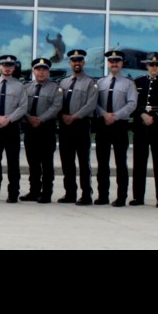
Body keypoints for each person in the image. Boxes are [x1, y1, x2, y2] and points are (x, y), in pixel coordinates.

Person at [131, 52, 158, 208]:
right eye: (151, 64)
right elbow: (133, 104)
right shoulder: (137, 82)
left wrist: (155, 117)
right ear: (146, 65)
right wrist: (142, 115)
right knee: (139, 163)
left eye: (157, 64)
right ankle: (138, 197)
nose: (154, 67)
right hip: (141, 127)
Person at [94, 50, 137, 206]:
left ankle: (121, 197)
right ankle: (103, 195)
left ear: (122, 63)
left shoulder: (128, 83)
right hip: (103, 125)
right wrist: (105, 114)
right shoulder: (100, 83)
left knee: (121, 163)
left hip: (119, 126)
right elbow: (95, 102)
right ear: (108, 63)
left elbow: (132, 104)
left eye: (117, 61)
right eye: (111, 61)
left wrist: (116, 116)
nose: (114, 63)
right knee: (102, 163)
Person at [57, 49, 98, 205]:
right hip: (65, 125)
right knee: (67, 161)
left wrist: (75, 116)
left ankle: (86, 194)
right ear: (70, 63)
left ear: (84, 62)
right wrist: (62, 115)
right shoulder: (63, 82)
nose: (77, 63)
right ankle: (70, 193)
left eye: (79, 60)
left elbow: (91, 104)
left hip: (80, 125)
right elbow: (57, 102)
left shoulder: (91, 82)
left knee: (83, 162)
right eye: (74, 60)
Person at [21, 58, 63, 204]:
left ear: (48, 71)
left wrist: (40, 119)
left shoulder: (55, 88)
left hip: (46, 129)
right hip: (30, 129)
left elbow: (56, 106)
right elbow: (21, 105)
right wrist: (29, 118)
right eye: (38, 69)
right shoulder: (26, 87)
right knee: (33, 162)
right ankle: (34, 191)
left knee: (46, 163)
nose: (41, 72)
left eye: (44, 69)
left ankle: (46, 193)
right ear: (34, 70)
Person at [0, 55, 28, 203]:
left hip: (12, 127)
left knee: (13, 162)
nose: (7, 68)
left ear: (14, 68)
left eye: (10, 65)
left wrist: (9, 119)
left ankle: (13, 193)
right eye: (5, 65)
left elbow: (23, 106)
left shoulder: (19, 86)